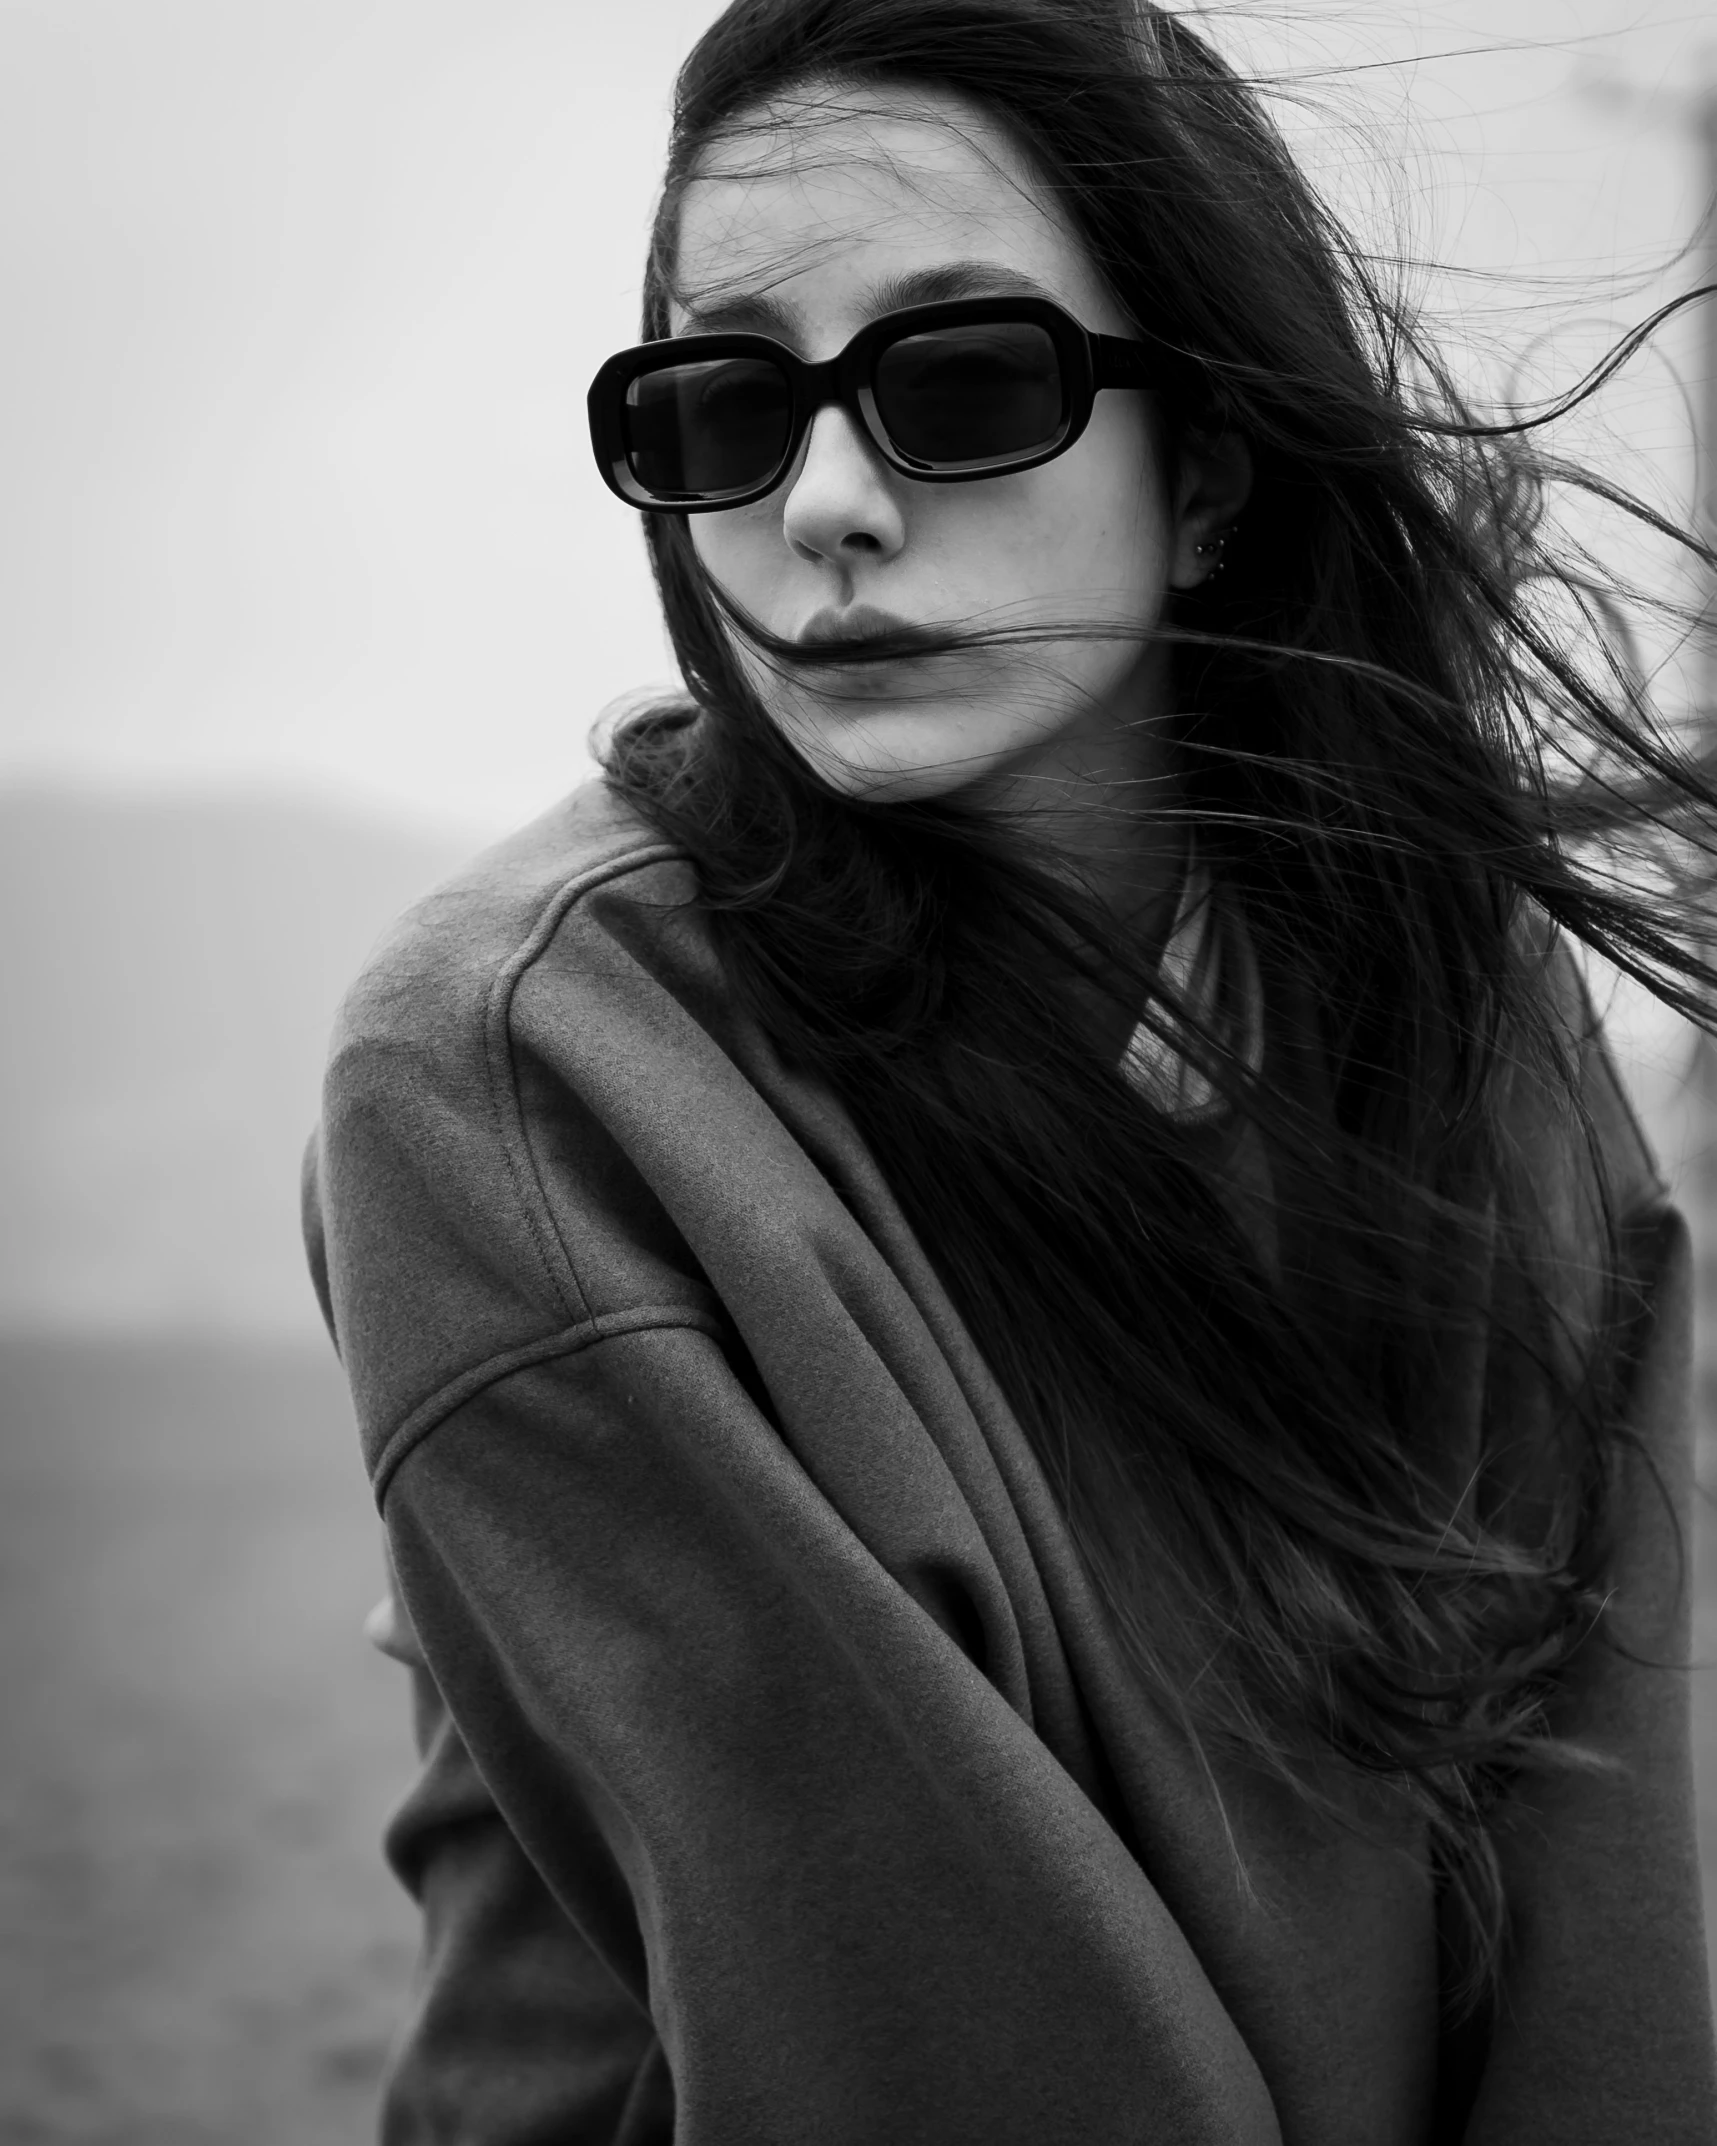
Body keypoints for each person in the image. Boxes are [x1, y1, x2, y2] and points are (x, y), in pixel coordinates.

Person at [302, 1, 1717, 2138]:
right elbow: (950, 2051)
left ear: (1213, 472)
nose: (827, 502)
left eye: (965, 382)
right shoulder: (514, 1075)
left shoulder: (1449, 984)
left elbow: (1607, 1928)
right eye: (722, 406)